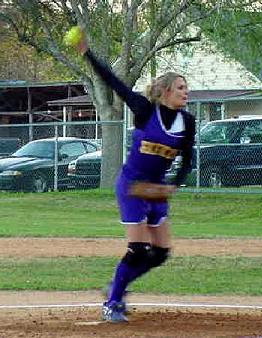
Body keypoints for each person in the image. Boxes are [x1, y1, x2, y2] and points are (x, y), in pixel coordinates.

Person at [72, 29, 196, 323]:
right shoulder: (144, 110)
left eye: (186, 87)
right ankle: (112, 302)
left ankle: (117, 286)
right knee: (138, 249)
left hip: (155, 190)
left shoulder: (187, 122)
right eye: (180, 87)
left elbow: (187, 158)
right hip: (132, 186)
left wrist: (174, 185)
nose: (185, 92)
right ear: (165, 91)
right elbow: (115, 83)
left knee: (161, 253)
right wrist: (86, 53)